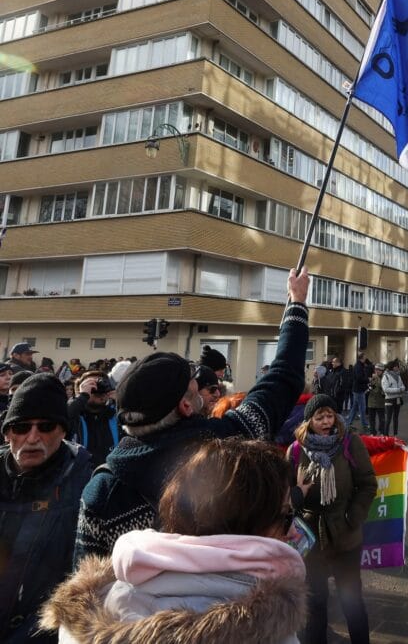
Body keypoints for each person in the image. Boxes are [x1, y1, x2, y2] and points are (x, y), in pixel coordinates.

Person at [74, 268, 310, 562]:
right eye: (194, 388)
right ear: (186, 406)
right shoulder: (227, 449)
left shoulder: (100, 490)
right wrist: (297, 302)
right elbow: (284, 376)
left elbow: (85, 587)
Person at [42, 438, 307, 643]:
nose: (294, 532)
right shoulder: (267, 627)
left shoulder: (102, 599)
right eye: (286, 516)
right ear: (246, 524)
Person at [1, 374, 93, 643]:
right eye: (20, 427)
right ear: (7, 433)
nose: (32, 437)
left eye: (45, 426)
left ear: (63, 431)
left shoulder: (84, 484)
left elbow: (83, 581)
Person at [287, 394, 376, 644]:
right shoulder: (295, 450)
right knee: (315, 604)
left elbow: (367, 484)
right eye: (320, 417)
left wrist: (353, 516)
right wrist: (297, 497)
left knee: (352, 602)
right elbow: (285, 494)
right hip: (310, 539)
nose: (327, 421)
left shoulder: (349, 442)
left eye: (330, 416)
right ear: (309, 421)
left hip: (345, 536)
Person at [67, 371, 121, 467]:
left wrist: (123, 401)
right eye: (92, 384)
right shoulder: (74, 415)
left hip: (110, 474)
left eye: (103, 383)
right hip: (80, 477)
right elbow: (60, 420)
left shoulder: (116, 416)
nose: (98, 388)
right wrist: (82, 397)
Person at [347, 352, 371, 432]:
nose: (366, 358)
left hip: (357, 389)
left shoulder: (359, 365)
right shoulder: (358, 366)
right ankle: (365, 424)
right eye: (365, 357)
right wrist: (368, 379)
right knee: (362, 408)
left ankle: (348, 423)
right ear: (362, 358)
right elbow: (359, 378)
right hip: (359, 390)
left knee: (355, 407)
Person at [382, 360, 405, 436]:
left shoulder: (398, 376)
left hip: (397, 399)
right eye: (397, 366)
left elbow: (403, 386)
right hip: (389, 400)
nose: (398, 368)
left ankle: (395, 435)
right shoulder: (386, 376)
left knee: (396, 418)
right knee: (388, 419)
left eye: (398, 366)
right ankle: (386, 436)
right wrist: (398, 390)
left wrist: (401, 389)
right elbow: (386, 389)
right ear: (393, 367)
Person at [366, 363, 386, 435]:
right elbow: (368, 388)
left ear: (382, 370)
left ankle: (382, 432)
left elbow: (382, 388)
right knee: (371, 419)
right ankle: (372, 432)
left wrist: (376, 379)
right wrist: (369, 384)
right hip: (371, 401)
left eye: (379, 370)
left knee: (382, 419)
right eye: (376, 369)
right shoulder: (372, 377)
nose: (377, 371)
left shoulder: (384, 378)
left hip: (380, 402)